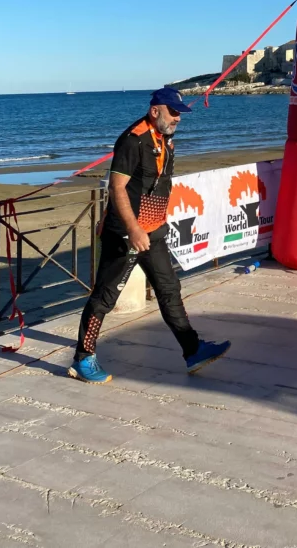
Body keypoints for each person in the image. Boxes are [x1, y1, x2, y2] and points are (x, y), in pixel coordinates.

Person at [69, 85, 230, 384]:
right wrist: (133, 229)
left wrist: (150, 226)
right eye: (173, 113)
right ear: (155, 110)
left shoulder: (165, 137)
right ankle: (83, 358)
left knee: (169, 290)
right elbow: (116, 188)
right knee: (105, 297)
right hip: (126, 233)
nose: (178, 119)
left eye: (181, 114)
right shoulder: (133, 141)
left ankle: (192, 350)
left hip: (153, 230)